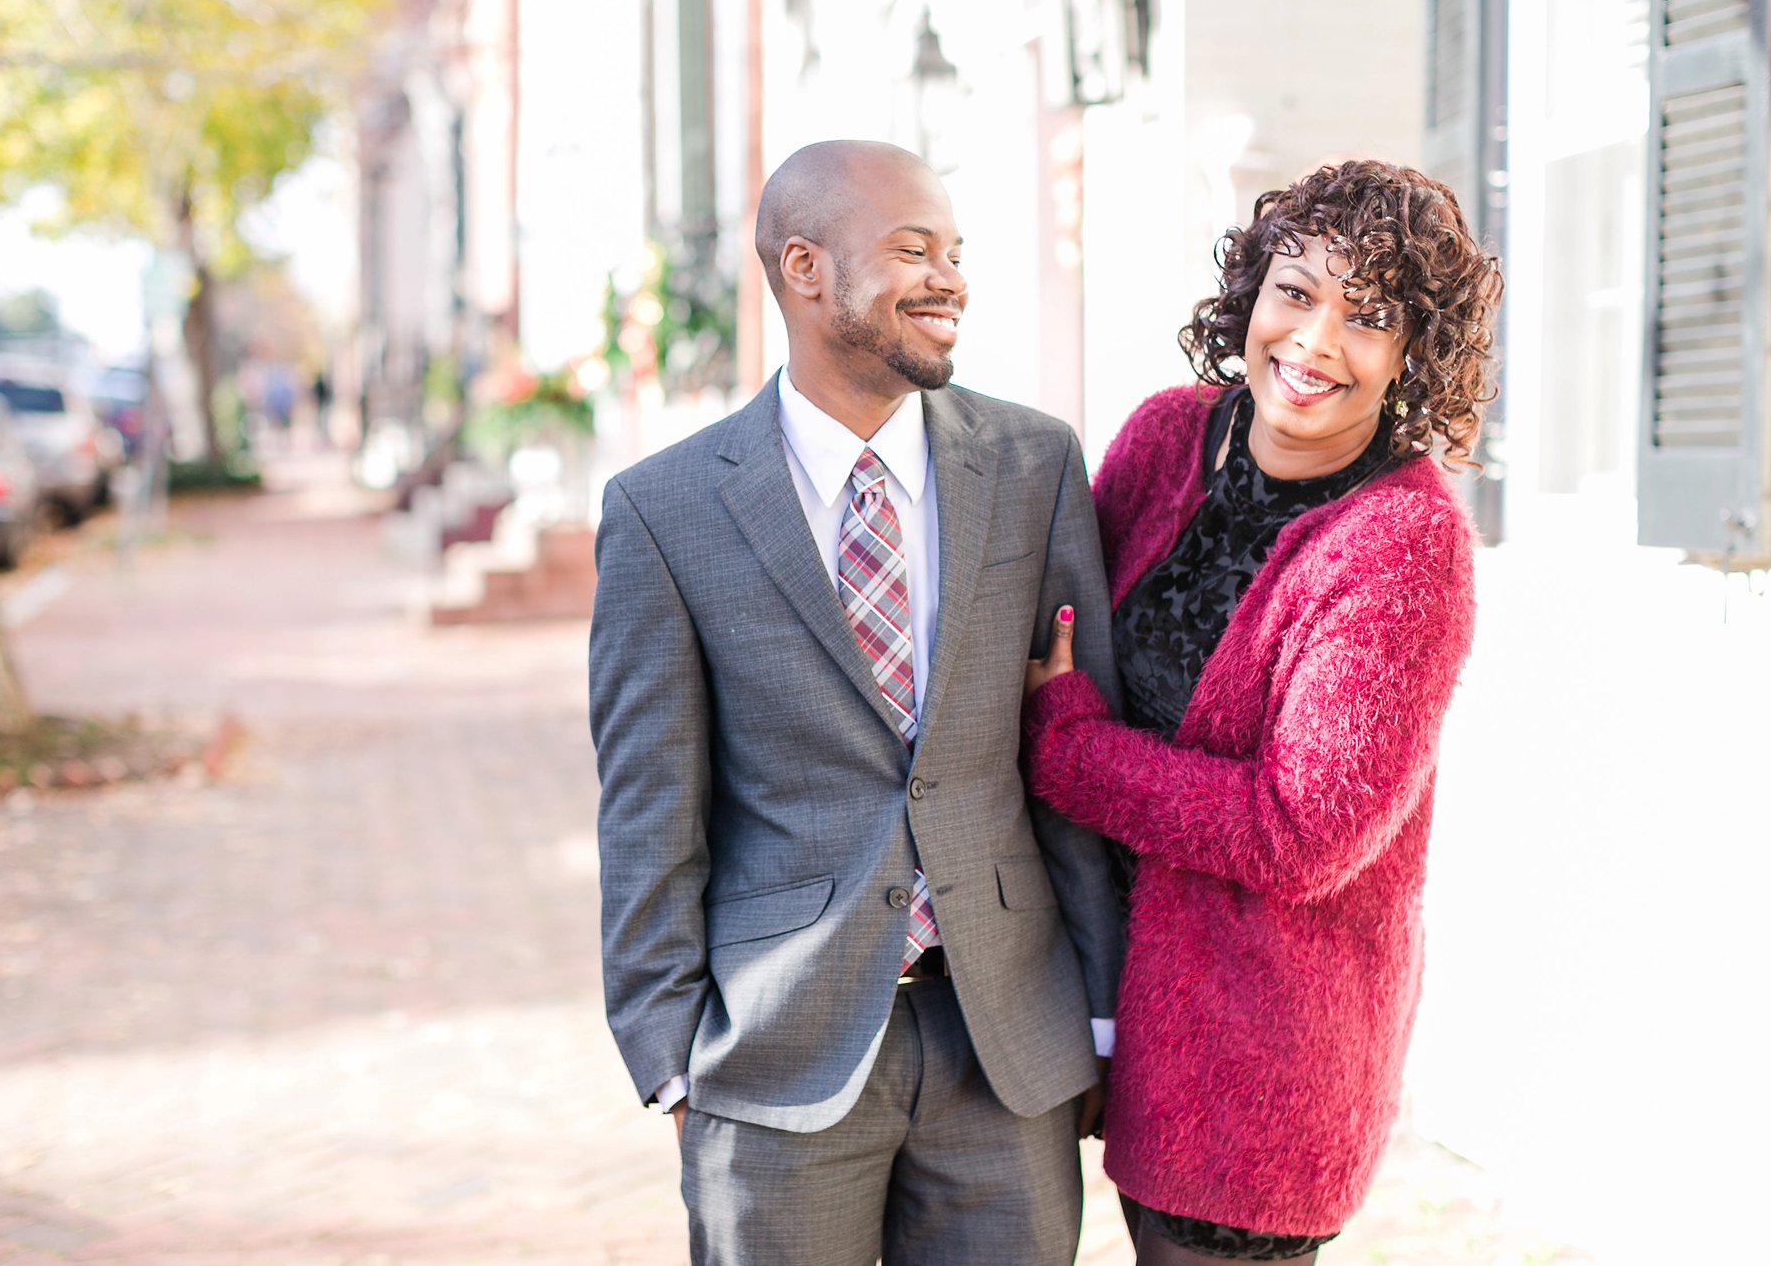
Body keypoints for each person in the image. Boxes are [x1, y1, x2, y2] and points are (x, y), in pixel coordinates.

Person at [590, 140, 1124, 1265]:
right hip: (776, 1059)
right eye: (911, 250)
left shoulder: (1032, 466)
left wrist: (1101, 1014)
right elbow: (648, 806)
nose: (950, 280)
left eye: (956, 253)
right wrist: (669, 1054)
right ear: (804, 268)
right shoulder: (664, 510)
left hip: (1004, 1043)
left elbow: (1076, 760)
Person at [1022, 160, 1501, 1264]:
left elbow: (1303, 831)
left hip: (1261, 1053)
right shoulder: (1161, 440)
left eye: (1367, 315)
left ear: (1410, 354)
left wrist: (1072, 749)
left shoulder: (1400, 545)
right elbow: (1055, 631)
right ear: (1249, 295)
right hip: (1103, 989)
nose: (1315, 341)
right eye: (1295, 291)